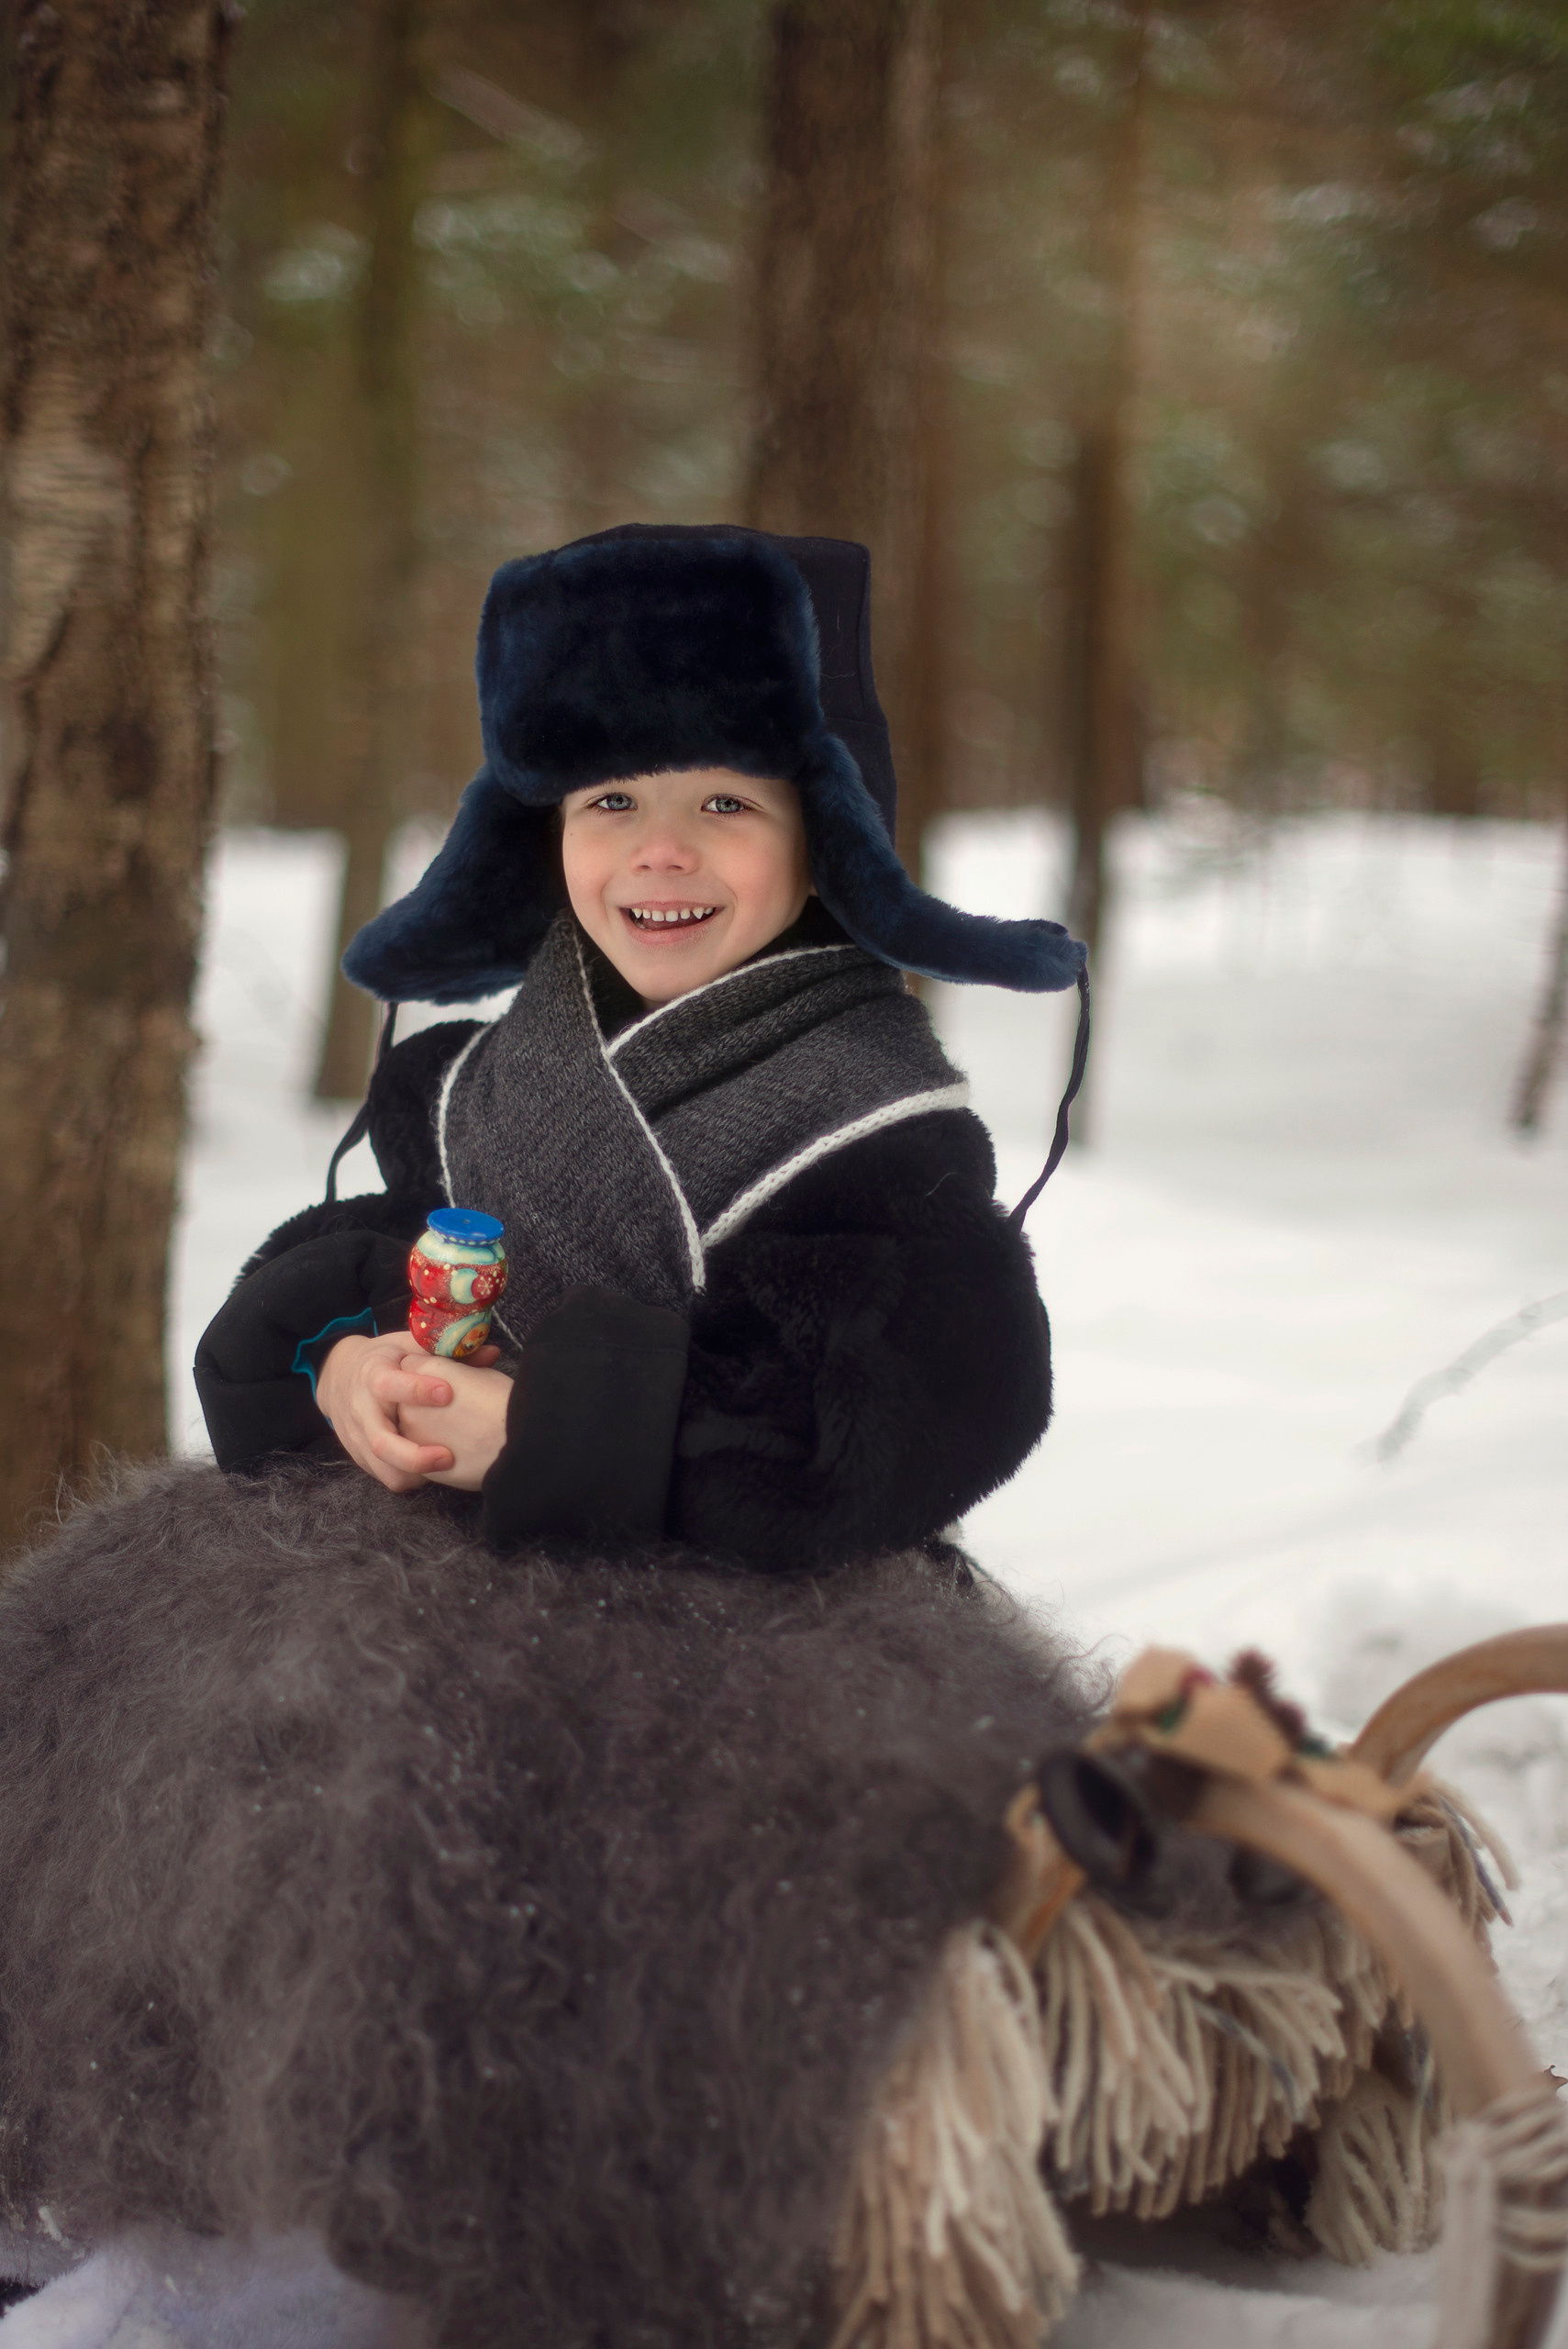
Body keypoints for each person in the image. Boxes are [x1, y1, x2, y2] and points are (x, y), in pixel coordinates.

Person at [194, 523, 1087, 1573]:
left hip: (765, 1652)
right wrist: (350, 1366)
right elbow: (366, 1260)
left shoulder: (873, 1128)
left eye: (725, 801)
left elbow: (923, 1410)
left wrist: (543, 1430)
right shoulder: (470, 1091)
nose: (661, 850)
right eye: (610, 801)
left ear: (825, 845)